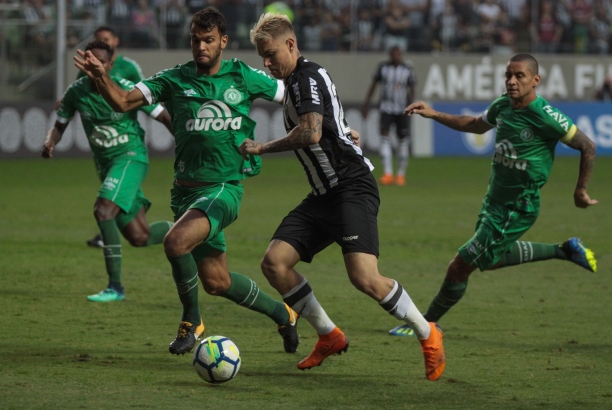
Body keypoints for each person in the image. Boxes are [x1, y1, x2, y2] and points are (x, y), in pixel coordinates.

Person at [73, 7, 300, 356]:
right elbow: (122, 101)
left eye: (208, 40)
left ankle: (191, 321)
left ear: (223, 41)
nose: (201, 47)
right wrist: (102, 77)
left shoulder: (243, 76)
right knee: (217, 282)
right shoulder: (174, 79)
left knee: (175, 242)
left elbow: (296, 95)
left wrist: (340, 127)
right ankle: (284, 315)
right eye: (195, 40)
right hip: (185, 193)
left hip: (224, 189)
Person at [240, 12, 445, 381]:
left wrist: (262, 148)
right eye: (262, 57)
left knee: (365, 277)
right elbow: (328, 119)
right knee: (275, 263)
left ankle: (428, 333)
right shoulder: (303, 79)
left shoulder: (304, 78)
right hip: (324, 194)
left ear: (290, 44)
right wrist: (346, 130)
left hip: (351, 186)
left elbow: (311, 133)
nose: (266, 63)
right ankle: (328, 335)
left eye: (270, 54)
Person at [389, 53, 598, 337]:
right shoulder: (503, 105)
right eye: (508, 75)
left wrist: (580, 190)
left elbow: (587, 145)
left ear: (535, 80)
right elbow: (475, 124)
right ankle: (565, 250)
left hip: (516, 207)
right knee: (491, 259)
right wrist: (434, 114)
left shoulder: (545, 115)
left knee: (459, 266)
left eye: (519, 76)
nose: (512, 81)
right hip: (494, 201)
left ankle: (425, 325)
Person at [42, 40, 174, 302]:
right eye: (91, 60)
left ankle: (115, 288)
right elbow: (59, 125)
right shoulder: (76, 92)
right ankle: (192, 231)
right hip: (107, 167)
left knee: (103, 209)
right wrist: (50, 141)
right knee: (140, 235)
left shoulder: (126, 88)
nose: (95, 65)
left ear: (110, 65)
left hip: (131, 158)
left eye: (101, 61)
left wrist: (186, 144)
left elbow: (164, 116)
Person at [66, 26, 145, 249]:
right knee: (140, 234)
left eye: (107, 39)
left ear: (115, 41)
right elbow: (80, 90)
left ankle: (105, 236)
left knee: (106, 206)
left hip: (127, 143)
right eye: (99, 39)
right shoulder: (88, 68)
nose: (104, 42)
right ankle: (184, 233)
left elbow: (143, 94)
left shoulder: (129, 67)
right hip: (104, 151)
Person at [361, 45, 416, 186]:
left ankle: (401, 175)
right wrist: (367, 103)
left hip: (402, 110)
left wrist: (412, 106)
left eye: (398, 54)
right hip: (386, 109)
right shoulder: (383, 68)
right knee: (384, 138)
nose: (395, 56)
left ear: (401, 55)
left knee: (403, 140)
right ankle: (388, 173)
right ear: (390, 55)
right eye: (393, 54)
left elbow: (412, 89)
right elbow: (373, 85)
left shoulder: (407, 69)